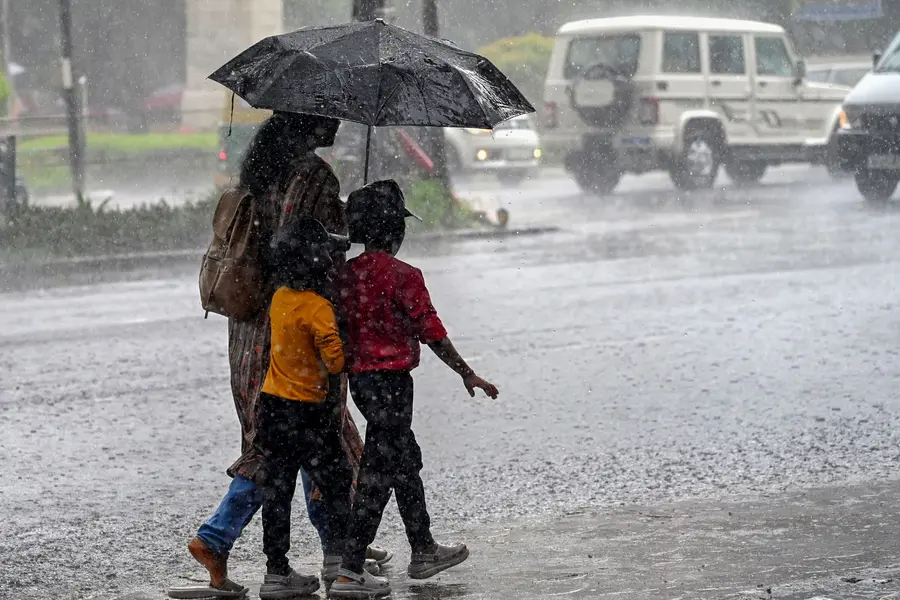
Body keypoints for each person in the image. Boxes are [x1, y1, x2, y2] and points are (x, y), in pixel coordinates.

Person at [180, 113, 389, 598]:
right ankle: (219, 539)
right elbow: (313, 251)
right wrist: (351, 224)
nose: (337, 122)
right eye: (328, 113)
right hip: (298, 332)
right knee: (295, 446)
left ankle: (340, 547)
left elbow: (276, 241)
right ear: (306, 121)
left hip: (251, 328)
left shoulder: (259, 173)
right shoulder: (314, 175)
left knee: (303, 442)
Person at [330, 180, 500, 598]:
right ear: (396, 230)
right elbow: (431, 331)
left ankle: (423, 548)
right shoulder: (405, 276)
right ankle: (350, 569)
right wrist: (466, 372)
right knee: (377, 473)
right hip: (393, 385)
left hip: (361, 385)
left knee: (404, 459)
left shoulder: (342, 277)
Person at [255, 216, 354, 598]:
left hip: (272, 408)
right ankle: (342, 563)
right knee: (335, 482)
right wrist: (344, 339)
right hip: (309, 412)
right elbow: (335, 363)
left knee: (277, 492)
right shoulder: (318, 308)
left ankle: (276, 573)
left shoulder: (280, 298)